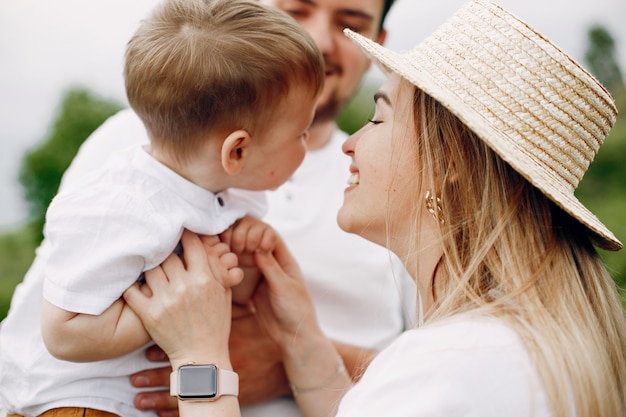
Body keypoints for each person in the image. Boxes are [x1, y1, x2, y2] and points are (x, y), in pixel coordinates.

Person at [125, 1, 626, 416]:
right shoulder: (518, 349)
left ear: (447, 159)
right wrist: (300, 339)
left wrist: (199, 357)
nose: (351, 145)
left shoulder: (448, 361)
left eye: (378, 118)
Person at [54, 1, 414, 417]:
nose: (317, 41)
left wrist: (290, 359)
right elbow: (53, 314)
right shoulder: (132, 145)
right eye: (296, 11)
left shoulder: (397, 182)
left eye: (350, 25)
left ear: (377, 43)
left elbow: (441, 368)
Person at [0, 0, 324, 416]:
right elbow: (63, 334)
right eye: (302, 132)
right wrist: (165, 316)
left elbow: (216, 304)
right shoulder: (119, 208)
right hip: (66, 400)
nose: (306, 143)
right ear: (237, 150)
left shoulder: (232, 193)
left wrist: (246, 261)